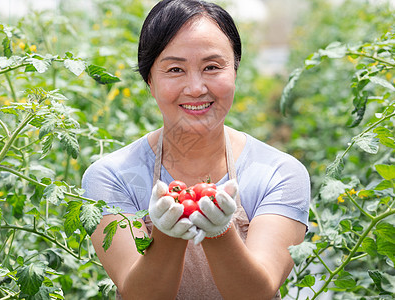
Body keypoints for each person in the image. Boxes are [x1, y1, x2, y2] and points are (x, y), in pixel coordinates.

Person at [82, 0, 310, 299]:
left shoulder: (281, 174)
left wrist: (219, 232)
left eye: (212, 67)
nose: (196, 88)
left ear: (235, 72)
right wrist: (167, 235)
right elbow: (139, 294)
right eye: (175, 69)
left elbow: (258, 291)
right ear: (149, 80)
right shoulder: (112, 177)